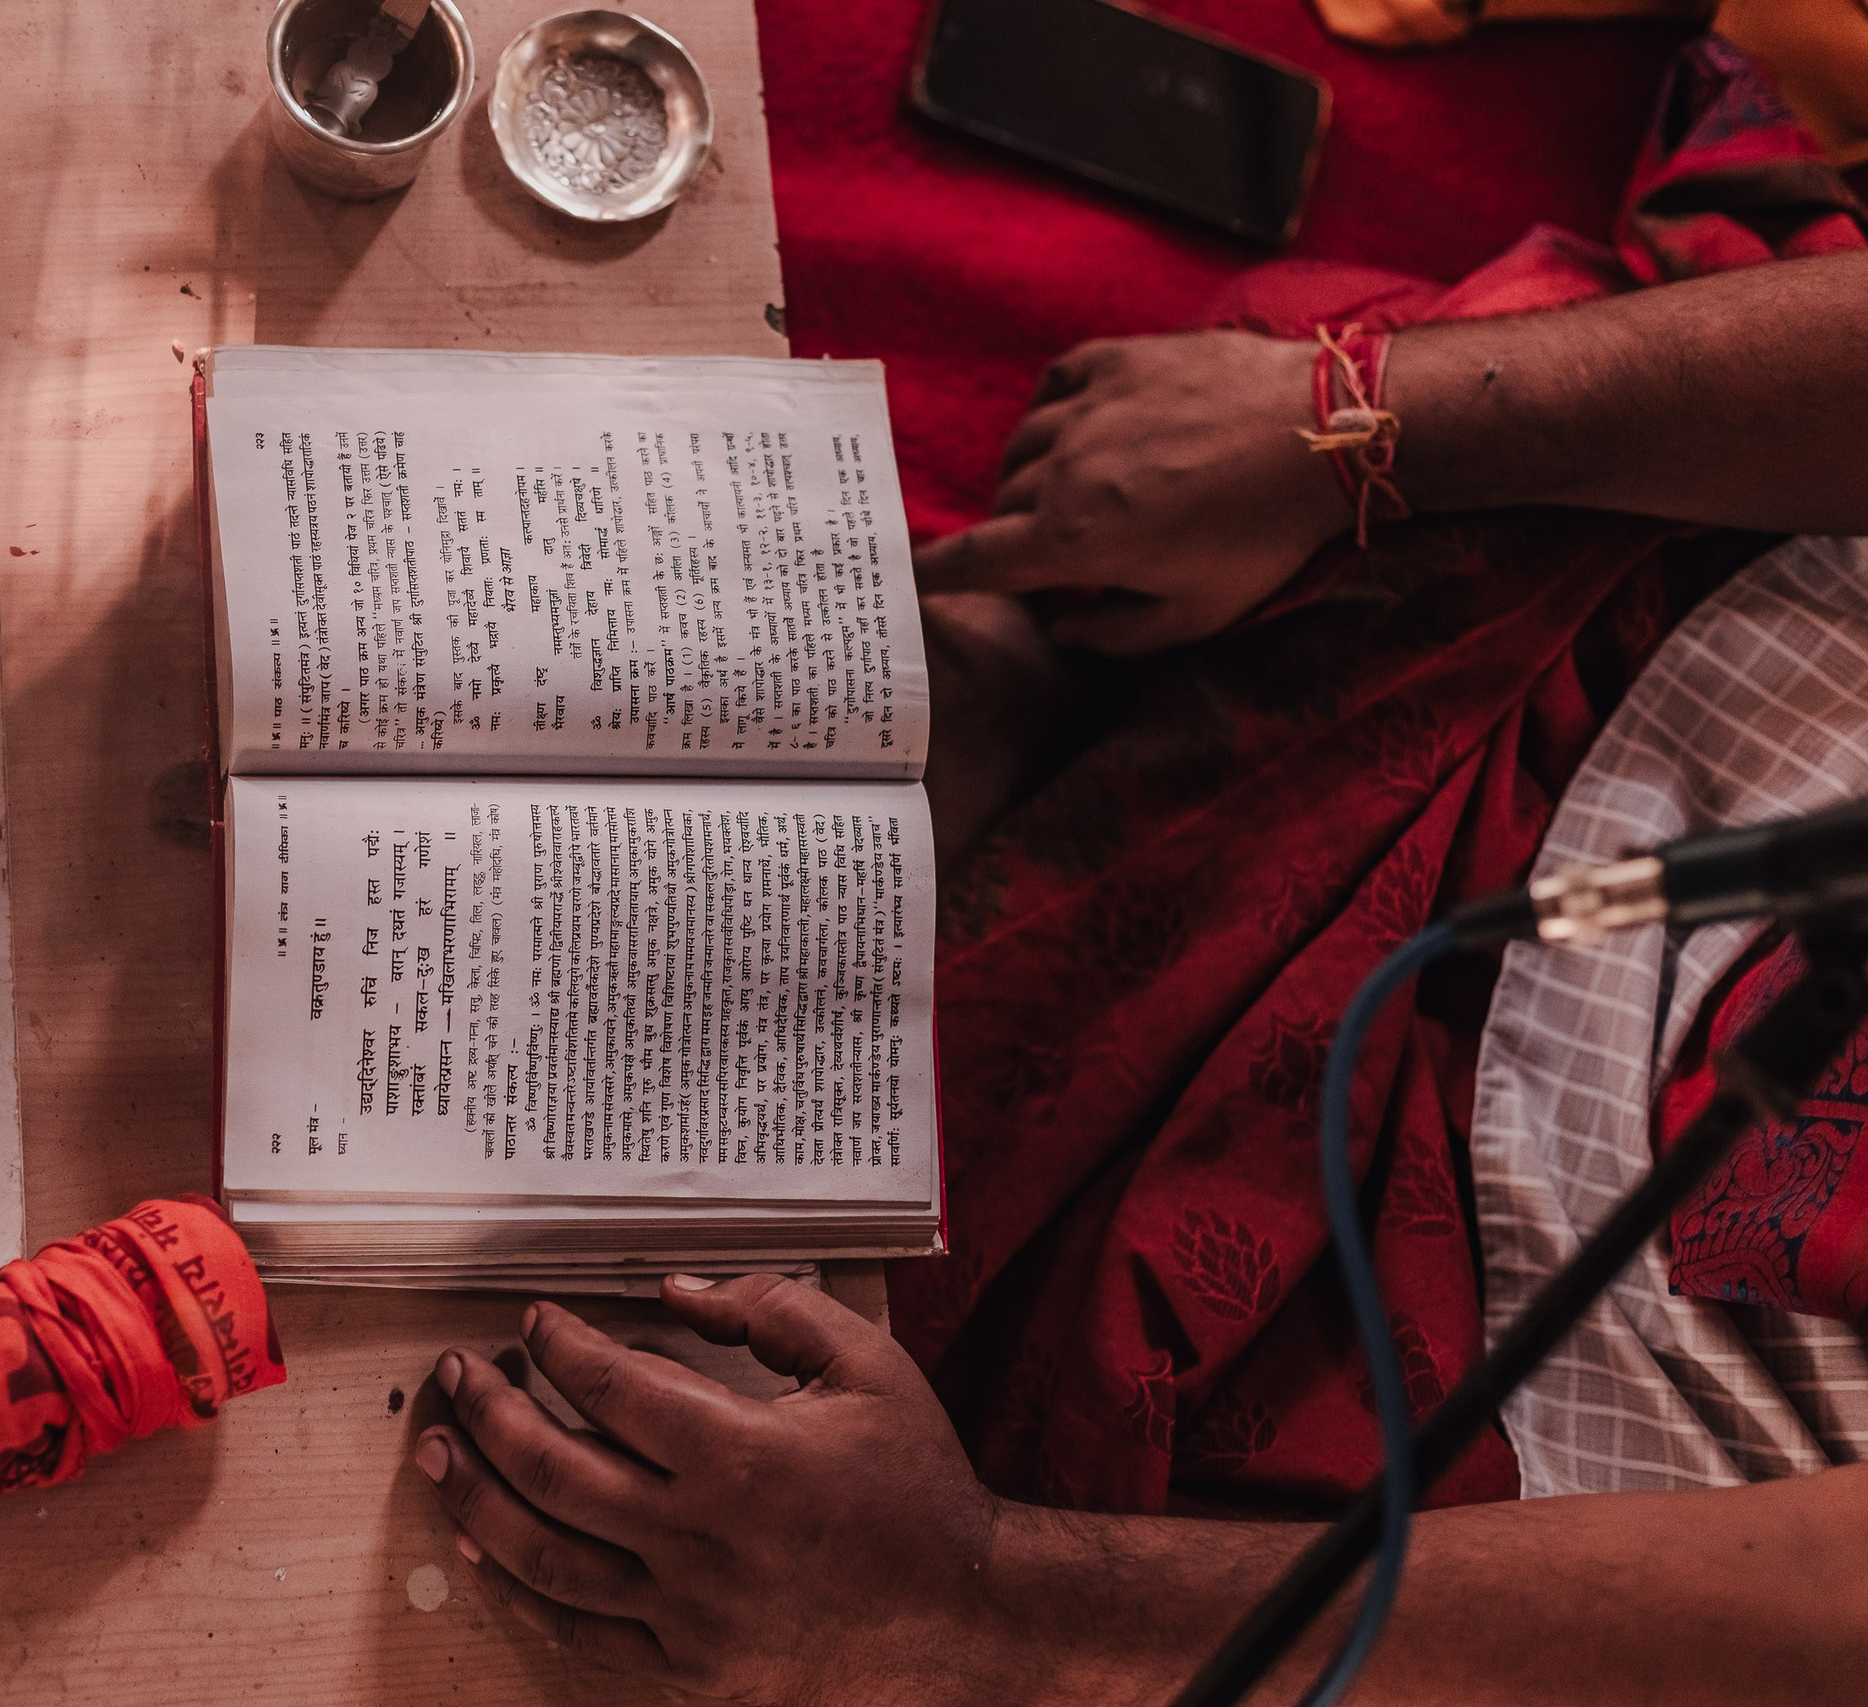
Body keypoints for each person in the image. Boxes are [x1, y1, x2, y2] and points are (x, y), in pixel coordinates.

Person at [405, 24, 1868, 1707]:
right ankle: (1042, 679)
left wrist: (982, 1609)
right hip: (1634, 616)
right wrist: (1353, 432)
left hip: (1488, 1493)